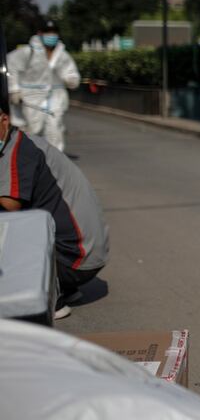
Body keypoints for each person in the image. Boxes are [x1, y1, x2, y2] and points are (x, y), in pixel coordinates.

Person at [0, 98, 109, 320]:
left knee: (6, 224)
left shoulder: (18, 151)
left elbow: (10, 205)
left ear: (4, 120)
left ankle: (51, 297)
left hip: (75, 259)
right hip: (84, 255)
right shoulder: (22, 142)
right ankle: (63, 287)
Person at [7, 20, 81, 152]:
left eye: (53, 32)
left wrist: (71, 79)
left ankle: (54, 162)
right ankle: (29, 158)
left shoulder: (62, 55)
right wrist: (14, 90)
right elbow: (11, 67)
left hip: (55, 97)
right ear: (40, 33)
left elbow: (71, 72)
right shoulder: (27, 52)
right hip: (30, 98)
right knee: (32, 129)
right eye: (48, 32)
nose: (51, 35)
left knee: (55, 128)